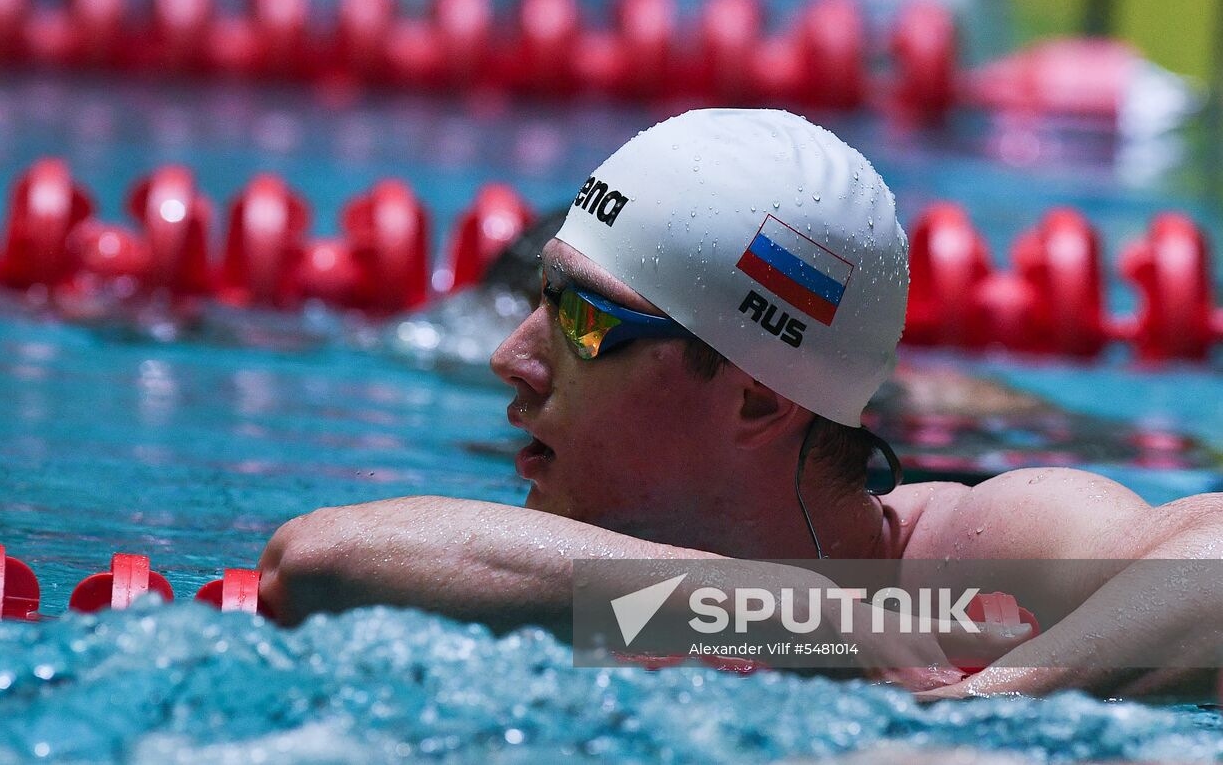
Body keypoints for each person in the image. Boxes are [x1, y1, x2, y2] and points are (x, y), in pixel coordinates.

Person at [258, 109, 1223, 698]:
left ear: (761, 402)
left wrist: (993, 715)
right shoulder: (586, 572)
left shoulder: (961, 563)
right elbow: (315, 562)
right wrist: (798, 618)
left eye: (586, 322)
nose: (514, 359)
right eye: (537, 301)